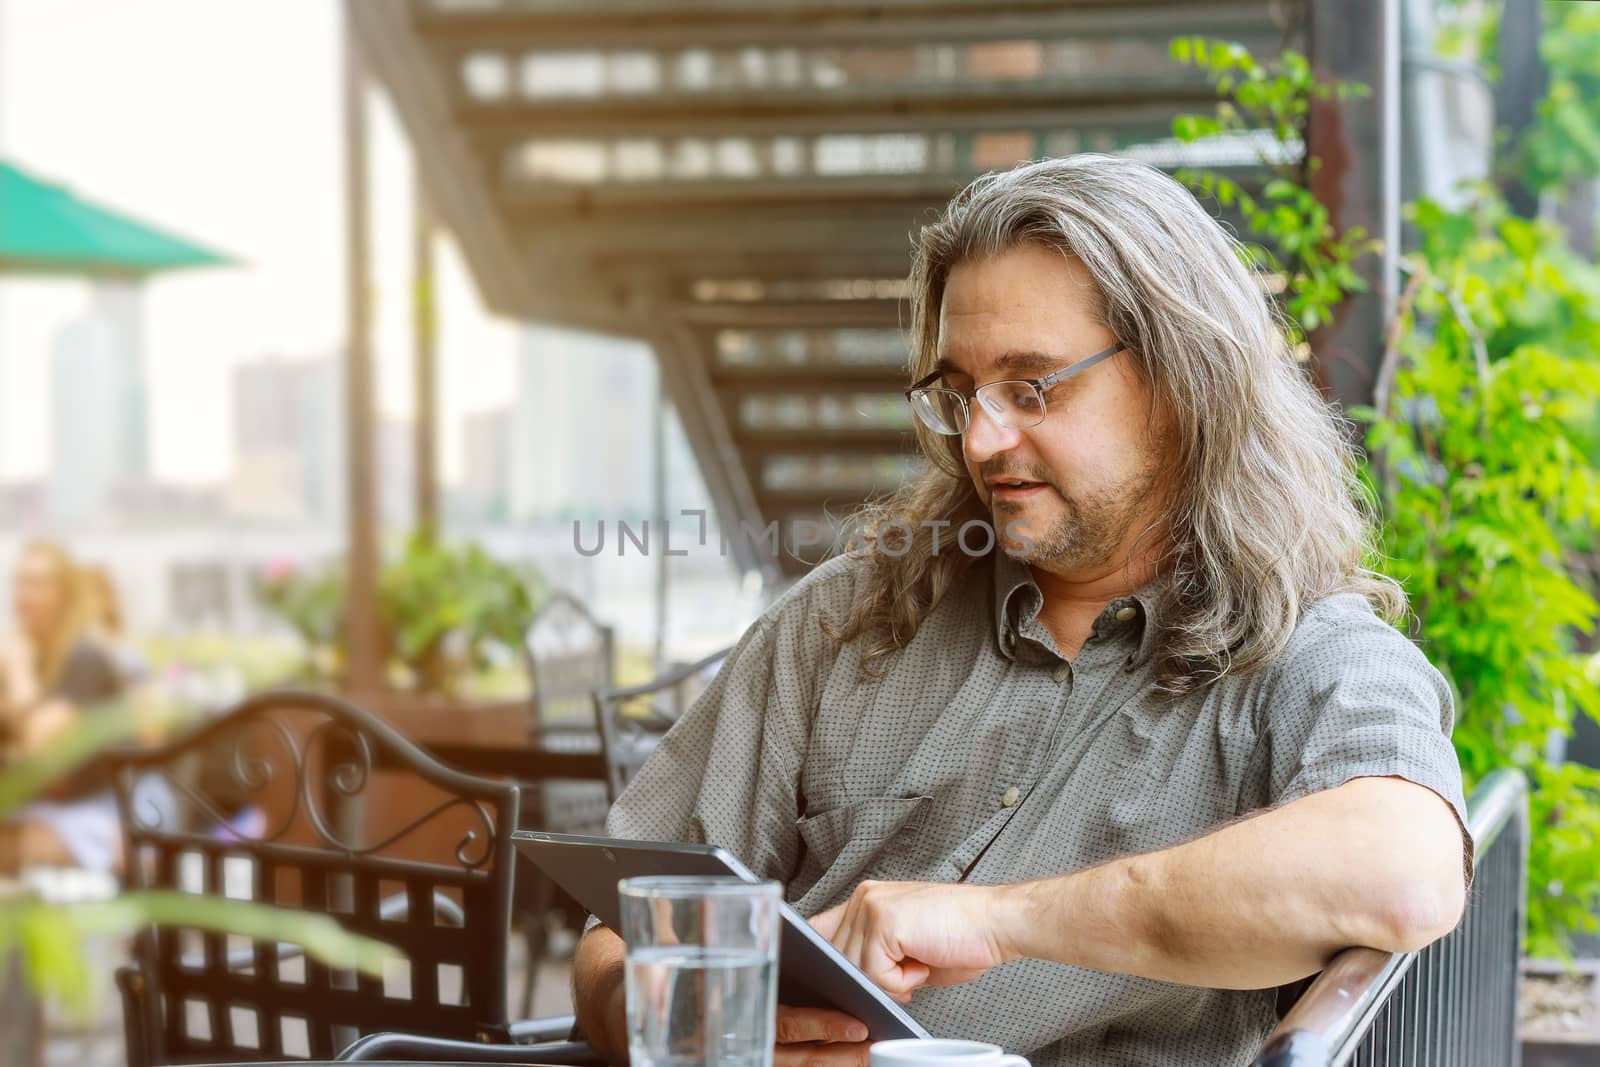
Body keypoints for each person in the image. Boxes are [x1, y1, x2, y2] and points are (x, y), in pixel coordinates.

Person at [572, 155, 1470, 1067]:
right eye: (961, 393)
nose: (982, 439)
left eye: (1032, 386)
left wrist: (1002, 922)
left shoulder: (1308, 654)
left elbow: (1405, 870)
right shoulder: (845, 619)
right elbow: (616, 926)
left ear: (1180, 380)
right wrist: (670, 1019)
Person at [0, 541, 127, 872]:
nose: (22, 597)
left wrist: (20, 674)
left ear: (66, 596)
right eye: (19, 583)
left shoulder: (86, 658)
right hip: (34, 813)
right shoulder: (28, 658)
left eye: (37, 584)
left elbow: (42, 746)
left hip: (95, 819)